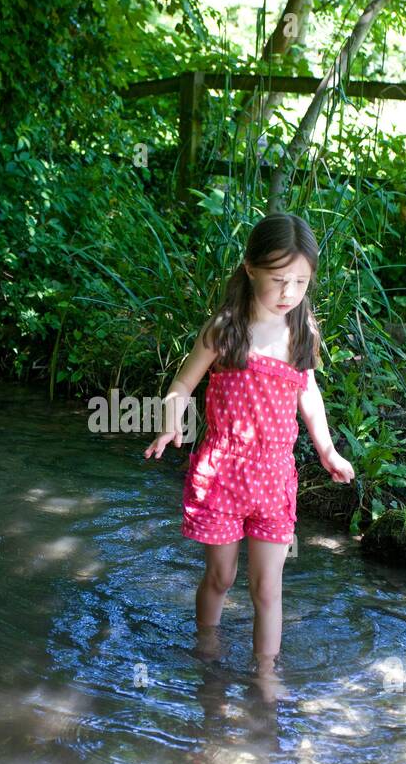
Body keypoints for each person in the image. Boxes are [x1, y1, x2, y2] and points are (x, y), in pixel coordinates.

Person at [144, 213, 354, 664]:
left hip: (274, 477)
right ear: (250, 268)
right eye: (279, 280)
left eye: (300, 282)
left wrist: (327, 450)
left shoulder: (302, 331)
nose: (289, 293)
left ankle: (266, 679)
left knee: (267, 587)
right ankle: (207, 653)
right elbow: (182, 386)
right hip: (222, 474)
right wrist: (169, 422)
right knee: (220, 576)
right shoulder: (226, 329)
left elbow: (309, 392)